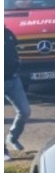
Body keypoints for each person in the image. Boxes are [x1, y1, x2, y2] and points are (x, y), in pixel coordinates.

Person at [5, 27, 30, 160]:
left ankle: (12, 138)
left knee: (25, 111)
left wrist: (17, 64)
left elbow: (15, 50)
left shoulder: (8, 33)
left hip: (13, 79)